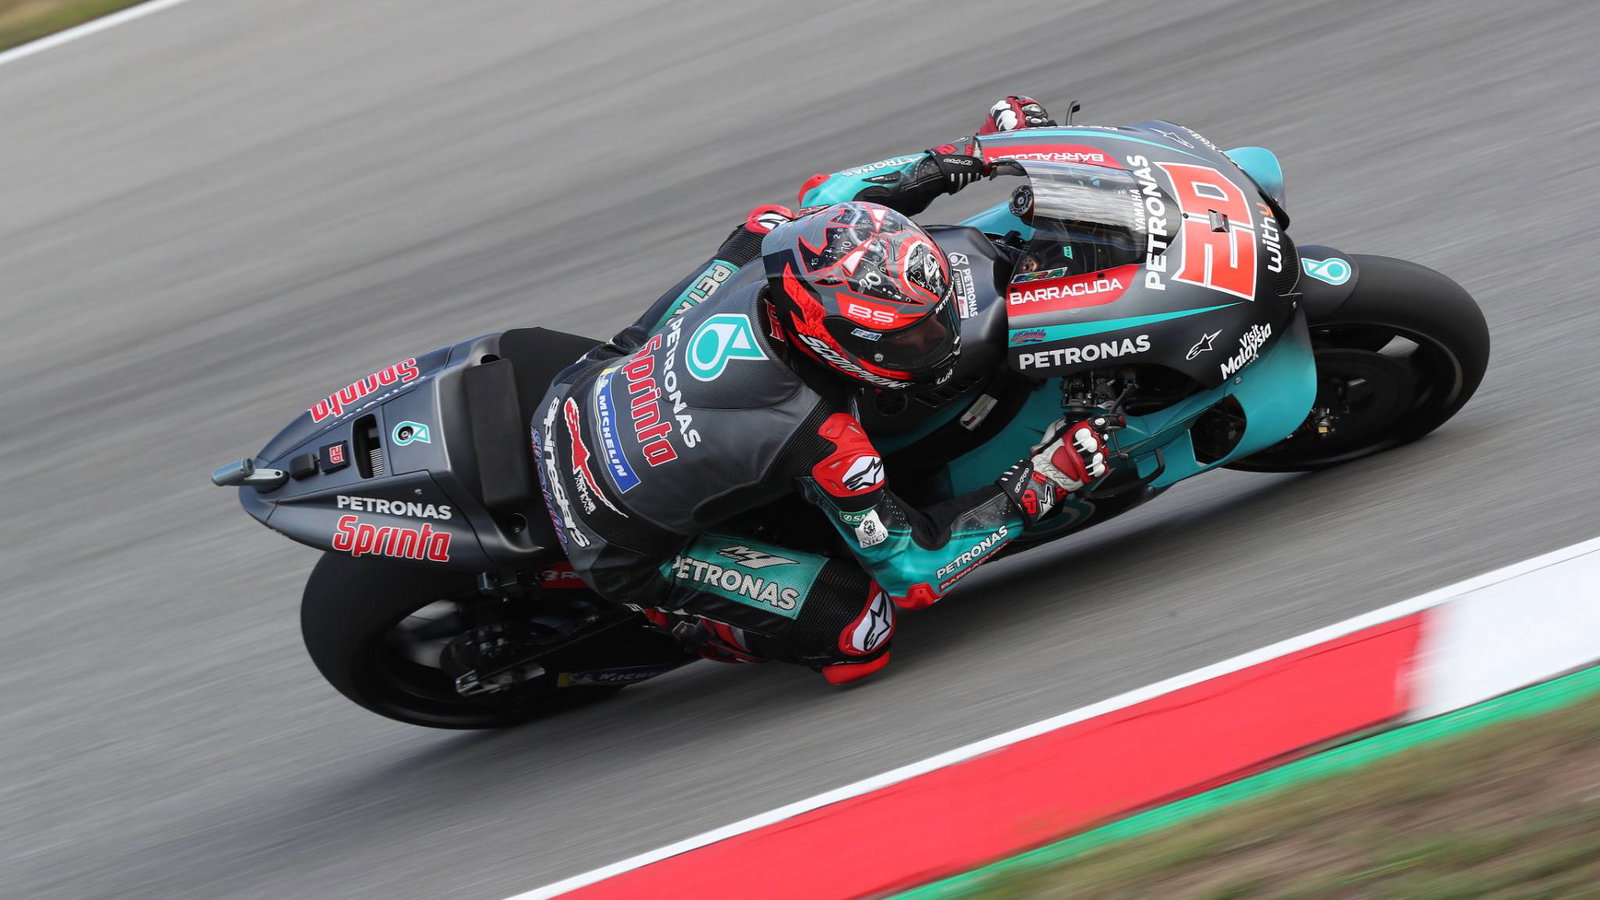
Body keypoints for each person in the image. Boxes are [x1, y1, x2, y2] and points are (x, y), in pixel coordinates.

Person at [532, 96, 1121, 683]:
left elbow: (835, 196)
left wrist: (971, 153)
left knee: (756, 229)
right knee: (862, 631)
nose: (938, 341)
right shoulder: (826, 438)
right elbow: (914, 572)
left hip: (571, 396)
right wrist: (1041, 482)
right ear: (837, 340)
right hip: (613, 537)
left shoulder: (776, 249)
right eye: (911, 339)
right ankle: (675, 617)